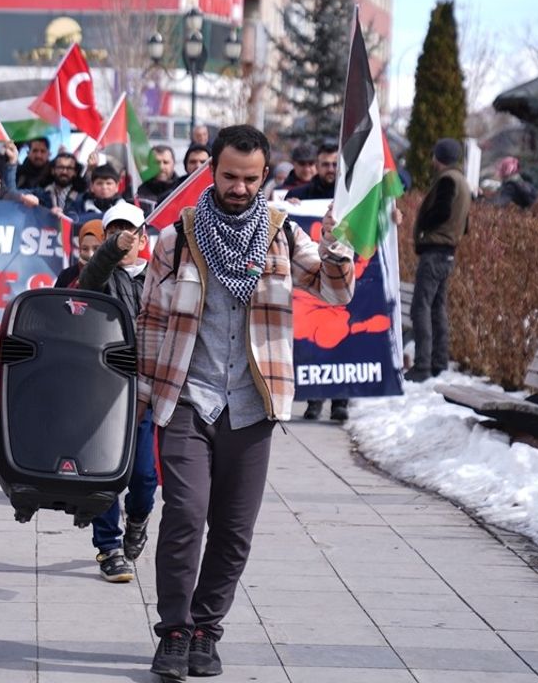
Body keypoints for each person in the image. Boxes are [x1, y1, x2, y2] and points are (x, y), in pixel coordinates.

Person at [137, 125, 354, 680]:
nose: (238, 187)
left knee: (234, 528)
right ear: (211, 172)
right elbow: (151, 321)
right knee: (185, 515)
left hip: (254, 401)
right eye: (229, 176)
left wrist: (337, 250)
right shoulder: (177, 238)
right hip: (188, 395)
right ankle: (174, 631)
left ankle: (207, 629)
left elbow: (332, 290)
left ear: (265, 178)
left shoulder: (283, 235)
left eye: (250, 179)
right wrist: (144, 398)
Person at [73, 203, 158, 584]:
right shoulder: (100, 277)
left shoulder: (161, 276)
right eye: (114, 231)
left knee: (143, 476)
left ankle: (138, 519)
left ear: (144, 238)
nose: (125, 238)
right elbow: (89, 279)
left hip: (146, 392)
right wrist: (110, 250)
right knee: (104, 473)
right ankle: (109, 547)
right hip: (102, 390)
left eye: (131, 231)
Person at [285, 141, 348, 422]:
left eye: (335, 164)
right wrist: (288, 206)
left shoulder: (349, 198)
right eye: (325, 164)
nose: (330, 169)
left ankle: (340, 403)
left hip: (340, 278)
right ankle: (314, 401)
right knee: (314, 342)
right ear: (317, 167)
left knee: (343, 346)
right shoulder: (299, 194)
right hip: (311, 280)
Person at [407, 138, 470, 383]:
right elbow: (465, 221)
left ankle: (423, 364)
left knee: (421, 307)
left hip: (435, 251)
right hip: (448, 252)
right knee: (437, 307)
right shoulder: (462, 181)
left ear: (438, 157)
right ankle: (439, 362)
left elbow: (442, 211)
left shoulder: (447, 180)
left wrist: (424, 226)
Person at [54, 219, 104, 288]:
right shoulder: (67, 276)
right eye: (85, 249)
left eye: (96, 249)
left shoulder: (116, 278)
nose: (90, 255)